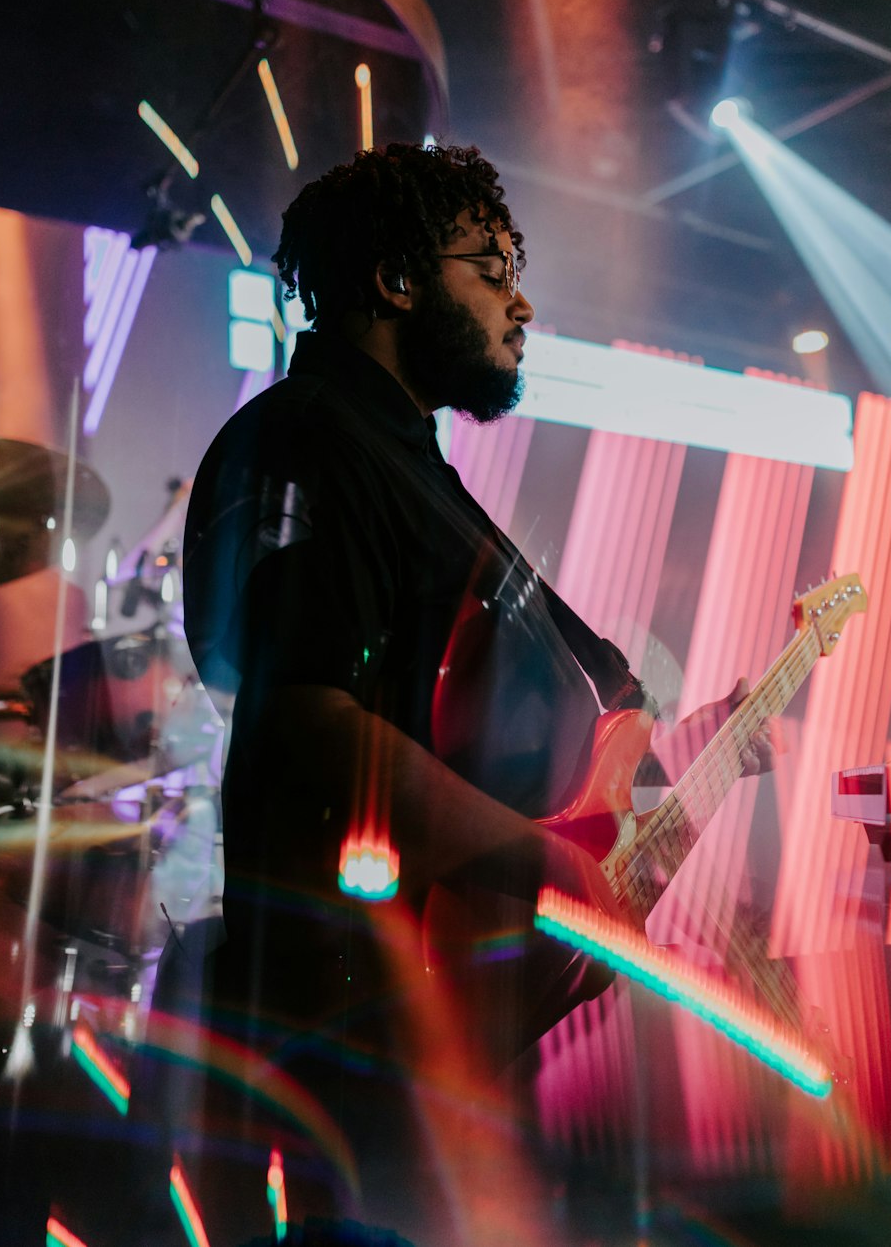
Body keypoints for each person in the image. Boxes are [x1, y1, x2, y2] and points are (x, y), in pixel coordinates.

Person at [177, 142, 770, 1247]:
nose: (523, 298)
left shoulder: (416, 469)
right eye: (491, 265)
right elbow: (304, 724)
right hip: (349, 1058)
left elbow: (496, 731)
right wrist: (546, 866)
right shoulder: (308, 437)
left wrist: (700, 741)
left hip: (443, 1047)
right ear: (397, 281)